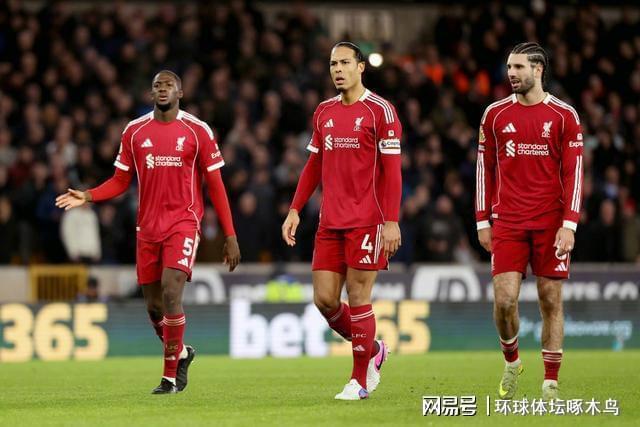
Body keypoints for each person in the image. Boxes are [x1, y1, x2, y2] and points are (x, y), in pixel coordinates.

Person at [56, 70, 241, 394]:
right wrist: (88, 195)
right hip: (148, 229)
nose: (163, 89)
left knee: (171, 292)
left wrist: (230, 235)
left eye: (169, 85)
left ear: (180, 93)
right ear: (151, 93)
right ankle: (181, 353)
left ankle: (170, 378)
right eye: (157, 85)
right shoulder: (134, 131)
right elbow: (120, 181)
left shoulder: (197, 130)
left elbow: (215, 185)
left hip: (183, 223)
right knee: (155, 307)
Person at [281, 42, 402, 400]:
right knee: (325, 300)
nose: (338, 69)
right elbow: (314, 164)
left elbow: (393, 172)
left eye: (345, 62)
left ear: (361, 67)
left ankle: (359, 380)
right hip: (330, 221)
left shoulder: (381, 111)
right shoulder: (324, 112)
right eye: (333, 63)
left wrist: (391, 221)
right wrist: (295, 209)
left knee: (358, 295)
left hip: (368, 220)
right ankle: (373, 349)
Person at [475, 42, 583, 400]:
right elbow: (484, 169)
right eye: (509, 67)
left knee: (550, 299)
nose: (511, 73)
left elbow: (574, 173)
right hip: (507, 222)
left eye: (519, 67)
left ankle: (550, 381)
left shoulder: (564, 116)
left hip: (551, 223)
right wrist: (482, 220)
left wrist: (569, 224)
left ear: (538, 70)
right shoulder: (494, 114)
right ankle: (512, 361)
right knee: (504, 300)